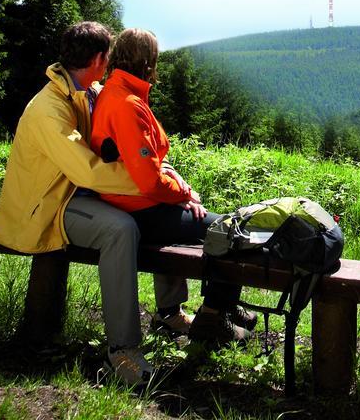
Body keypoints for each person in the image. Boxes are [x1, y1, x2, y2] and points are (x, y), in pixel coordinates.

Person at [0, 21, 157, 388]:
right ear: (100, 58)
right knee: (120, 229)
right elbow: (88, 171)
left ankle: (170, 312)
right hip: (46, 208)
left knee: (152, 213)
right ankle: (122, 351)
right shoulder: (48, 109)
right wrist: (150, 184)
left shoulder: (85, 90)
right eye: (109, 56)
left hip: (71, 195)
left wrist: (154, 178)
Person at [90, 27, 257, 345]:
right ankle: (213, 319)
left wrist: (178, 189)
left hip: (134, 201)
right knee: (231, 230)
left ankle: (188, 311)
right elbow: (149, 180)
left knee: (219, 226)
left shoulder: (119, 92)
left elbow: (144, 162)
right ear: (148, 62)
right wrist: (183, 194)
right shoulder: (126, 103)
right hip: (139, 208)